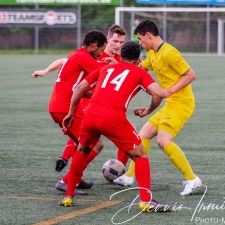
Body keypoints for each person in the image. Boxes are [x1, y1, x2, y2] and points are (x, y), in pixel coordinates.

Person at [59, 41, 170, 212]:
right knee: (140, 155)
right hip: (112, 118)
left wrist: (71, 113)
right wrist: (148, 110)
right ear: (138, 58)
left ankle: (68, 195)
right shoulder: (139, 72)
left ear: (122, 55)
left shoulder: (105, 68)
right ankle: (146, 201)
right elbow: (158, 94)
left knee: (81, 150)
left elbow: (80, 87)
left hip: (90, 115)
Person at [113, 20, 202, 196]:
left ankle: (192, 179)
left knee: (163, 141)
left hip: (181, 103)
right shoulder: (153, 54)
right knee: (143, 135)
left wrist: (171, 90)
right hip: (171, 104)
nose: (139, 43)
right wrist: (116, 67)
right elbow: (137, 69)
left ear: (149, 35)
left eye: (140, 38)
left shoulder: (169, 52)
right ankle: (130, 176)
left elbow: (191, 74)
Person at [33, 24, 130, 175]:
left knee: (85, 140)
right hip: (78, 104)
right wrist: (46, 70)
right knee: (95, 142)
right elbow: (108, 78)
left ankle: (71, 172)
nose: (118, 45)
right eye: (115, 41)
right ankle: (70, 177)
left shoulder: (90, 54)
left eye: (121, 42)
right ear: (107, 39)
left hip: (77, 102)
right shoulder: (91, 57)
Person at [48, 30, 107, 194]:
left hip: (58, 106)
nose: (101, 54)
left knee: (80, 142)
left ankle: (77, 179)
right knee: (95, 144)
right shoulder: (84, 58)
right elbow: (104, 76)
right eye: (101, 50)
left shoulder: (75, 54)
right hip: (65, 108)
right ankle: (66, 181)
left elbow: (77, 88)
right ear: (94, 45)